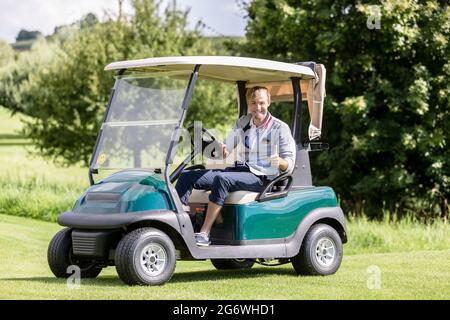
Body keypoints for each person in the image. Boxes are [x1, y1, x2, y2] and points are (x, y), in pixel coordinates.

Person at [175, 86, 296, 246]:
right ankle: (179, 225)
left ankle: (204, 233)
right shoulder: (244, 122)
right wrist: (220, 148)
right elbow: (226, 149)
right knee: (186, 177)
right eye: (253, 103)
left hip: (262, 177)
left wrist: (278, 161)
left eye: (261, 103)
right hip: (241, 170)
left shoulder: (280, 128)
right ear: (248, 103)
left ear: (269, 103)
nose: (257, 108)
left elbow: (289, 164)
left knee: (222, 178)